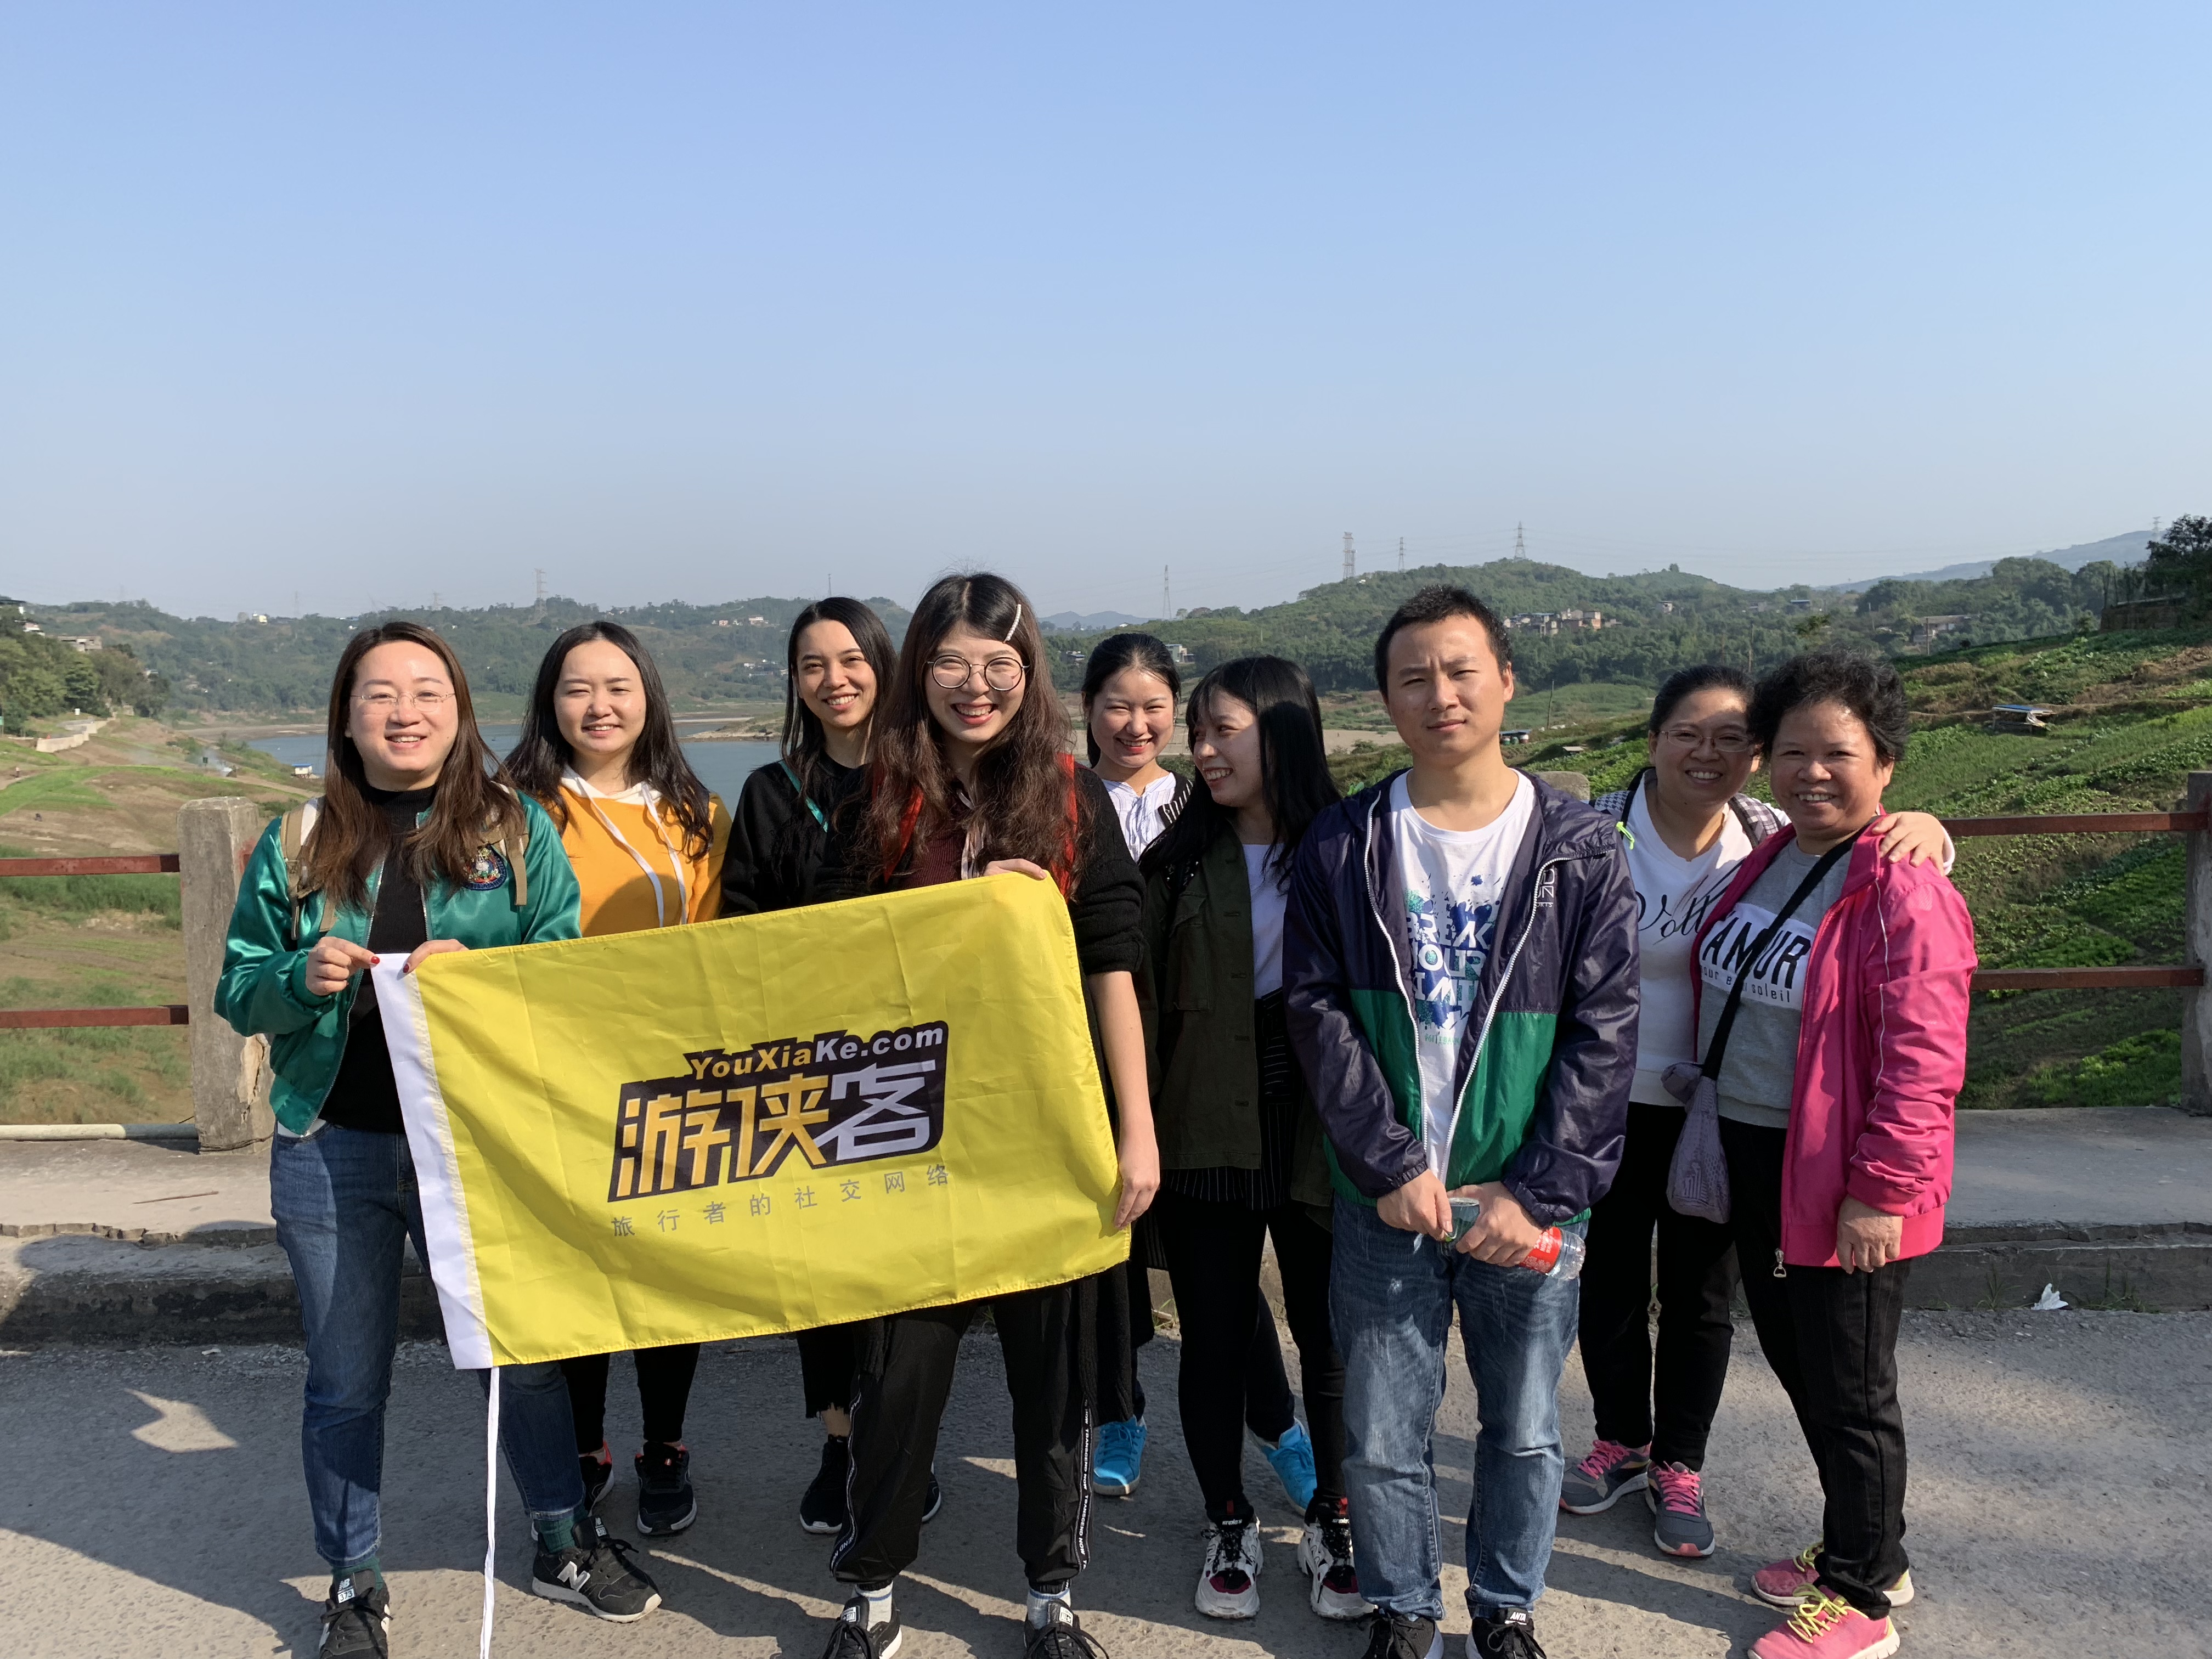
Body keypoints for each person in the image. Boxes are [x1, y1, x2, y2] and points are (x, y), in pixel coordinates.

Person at [216, 622, 662, 1659]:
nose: (404, 712)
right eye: (379, 694)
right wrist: (297, 979)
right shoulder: (297, 840)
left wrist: (486, 976)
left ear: (460, 712)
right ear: (347, 717)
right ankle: (352, 1578)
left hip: (475, 1144)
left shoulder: (514, 829)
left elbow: (562, 970)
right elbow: (239, 989)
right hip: (332, 1145)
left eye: (428, 692)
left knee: (519, 1359)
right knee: (344, 1379)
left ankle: (562, 1538)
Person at [1285, 585, 1637, 1659]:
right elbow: (1318, 1013)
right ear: (1387, 700)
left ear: (1506, 682)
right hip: (1387, 1200)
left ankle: (1505, 1606)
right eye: (1414, 678)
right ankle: (1403, 1608)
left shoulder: (1579, 847)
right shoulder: (1345, 842)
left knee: (1524, 1430)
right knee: (1383, 1434)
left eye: (1460, 670)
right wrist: (1387, 1164)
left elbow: (1605, 1032)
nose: (1440, 694)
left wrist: (1538, 1189)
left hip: (1524, 1200)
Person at [815, 573, 1156, 1659]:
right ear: (919, 670)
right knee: (897, 1374)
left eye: (999, 665)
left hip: (1049, 1129)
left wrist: (1137, 1132)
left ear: (1029, 674)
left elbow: (1114, 965)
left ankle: (1053, 1592)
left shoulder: (1070, 794)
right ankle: (872, 1587)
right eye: (953, 663)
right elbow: (821, 964)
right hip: (911, 1130)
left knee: (1052, 1378)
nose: (976, 685)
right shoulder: (877, 800)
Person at [1565, 668, 1950, 1560]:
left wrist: (1933, 830)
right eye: (1686, 733)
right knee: (1610, 1280)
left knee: (1702, 1295)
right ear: (1653, 739)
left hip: (1717, 1113)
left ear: (1752, 756)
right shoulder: (1597, 831)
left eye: (1732, 739)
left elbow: (1872, 857)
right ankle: (1622, 1439)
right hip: (1610, 1100)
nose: (1707, 753)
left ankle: (1682, 1464)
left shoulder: (1765, 832)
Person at [1688, 649, 1974, 1659]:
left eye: (1838, 754)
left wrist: (1881, 1192)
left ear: (1885, 763)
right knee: (1805, 1362)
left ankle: (1863, 1598)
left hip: (1844, 1176)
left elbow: (1924, 1059)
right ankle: (1866, 1545)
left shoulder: (1903, 885)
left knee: (1852, 1387)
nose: (1812, 772)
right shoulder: (1775, 853)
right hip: (1758, 1155)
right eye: (1792, 752)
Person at [1139, 656, 1364, 1623]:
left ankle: (1335, 1517)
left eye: (1223, 729)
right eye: (1198, 732)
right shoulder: (1177, 861)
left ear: (1284, 730)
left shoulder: (1353, 846)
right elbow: (1130, 997)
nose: (1202, 749)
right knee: (1217, 1338)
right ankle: (1228, 1518)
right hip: (1204, 1131)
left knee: (1330, 1338)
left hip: (1322, 1133)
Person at [506, 620, 731, 1539]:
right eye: (577, 688)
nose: (598, 706)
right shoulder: (509, 810)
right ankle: (586, 1444)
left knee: (668, 1272)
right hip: (556, 1079)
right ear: (549, 703)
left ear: (649, 699)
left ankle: (666, 1444)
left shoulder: (697, 813)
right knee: (581, 1273)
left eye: (618, 687)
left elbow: (723, 946)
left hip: (674, 1078)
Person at [1080, 633, 1311, 1511]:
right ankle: (1119, 1411)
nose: (1136, 724)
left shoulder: (1198, 805)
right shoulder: (1061, 803)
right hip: (1087, 1056)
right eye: (1117, 705)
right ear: (1087, 710)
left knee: (1216, 1276)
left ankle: (1279, 1426)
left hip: (1188, 1068)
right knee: (1107, 1261)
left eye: (1154, 708)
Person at [714, 597, 929, 1537]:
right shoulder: (772, 791)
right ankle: (840, 1440)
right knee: (819, 1273)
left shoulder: (926, 781)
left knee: (902, 1272)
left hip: (912, 1067)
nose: (834, 680)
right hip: (806, 1072)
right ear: (795, 683)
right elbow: (739, 925)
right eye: (812, 665)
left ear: (884, 666)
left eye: (851, 660)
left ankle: (901, 1443)